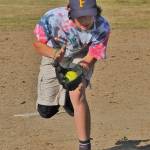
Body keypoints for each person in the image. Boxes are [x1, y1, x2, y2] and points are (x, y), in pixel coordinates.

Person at [33, 0, 110, 150]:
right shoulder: (52, 18)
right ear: (70, 12)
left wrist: (79, 70)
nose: (85, 21)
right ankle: (65, 100)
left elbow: (92, 55)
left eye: (89, 15)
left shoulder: (102, 26)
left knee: (77, 92)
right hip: (53, 54)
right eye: (80, 17)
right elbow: (38, 44)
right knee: (46, 111)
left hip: (81, 56)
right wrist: (54, 54)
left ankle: (84, 145)